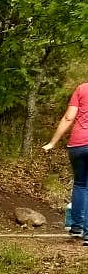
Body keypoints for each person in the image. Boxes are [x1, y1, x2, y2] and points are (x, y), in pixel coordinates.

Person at [43, 80, 88, 242]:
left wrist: (52, 142)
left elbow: (69, 117)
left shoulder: (82, 89)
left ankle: (76, 227)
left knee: (80, 184)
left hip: (77, 145)